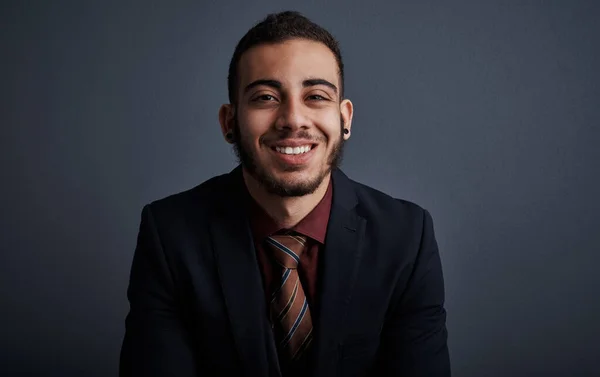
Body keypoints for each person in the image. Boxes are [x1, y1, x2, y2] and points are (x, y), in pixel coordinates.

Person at [119, 10, 450, 377]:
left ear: (345, 119)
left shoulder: (406, 237)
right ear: (230, 122)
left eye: (316, 96)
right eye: (265, 97)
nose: (293, 118)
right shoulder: (171, 235)